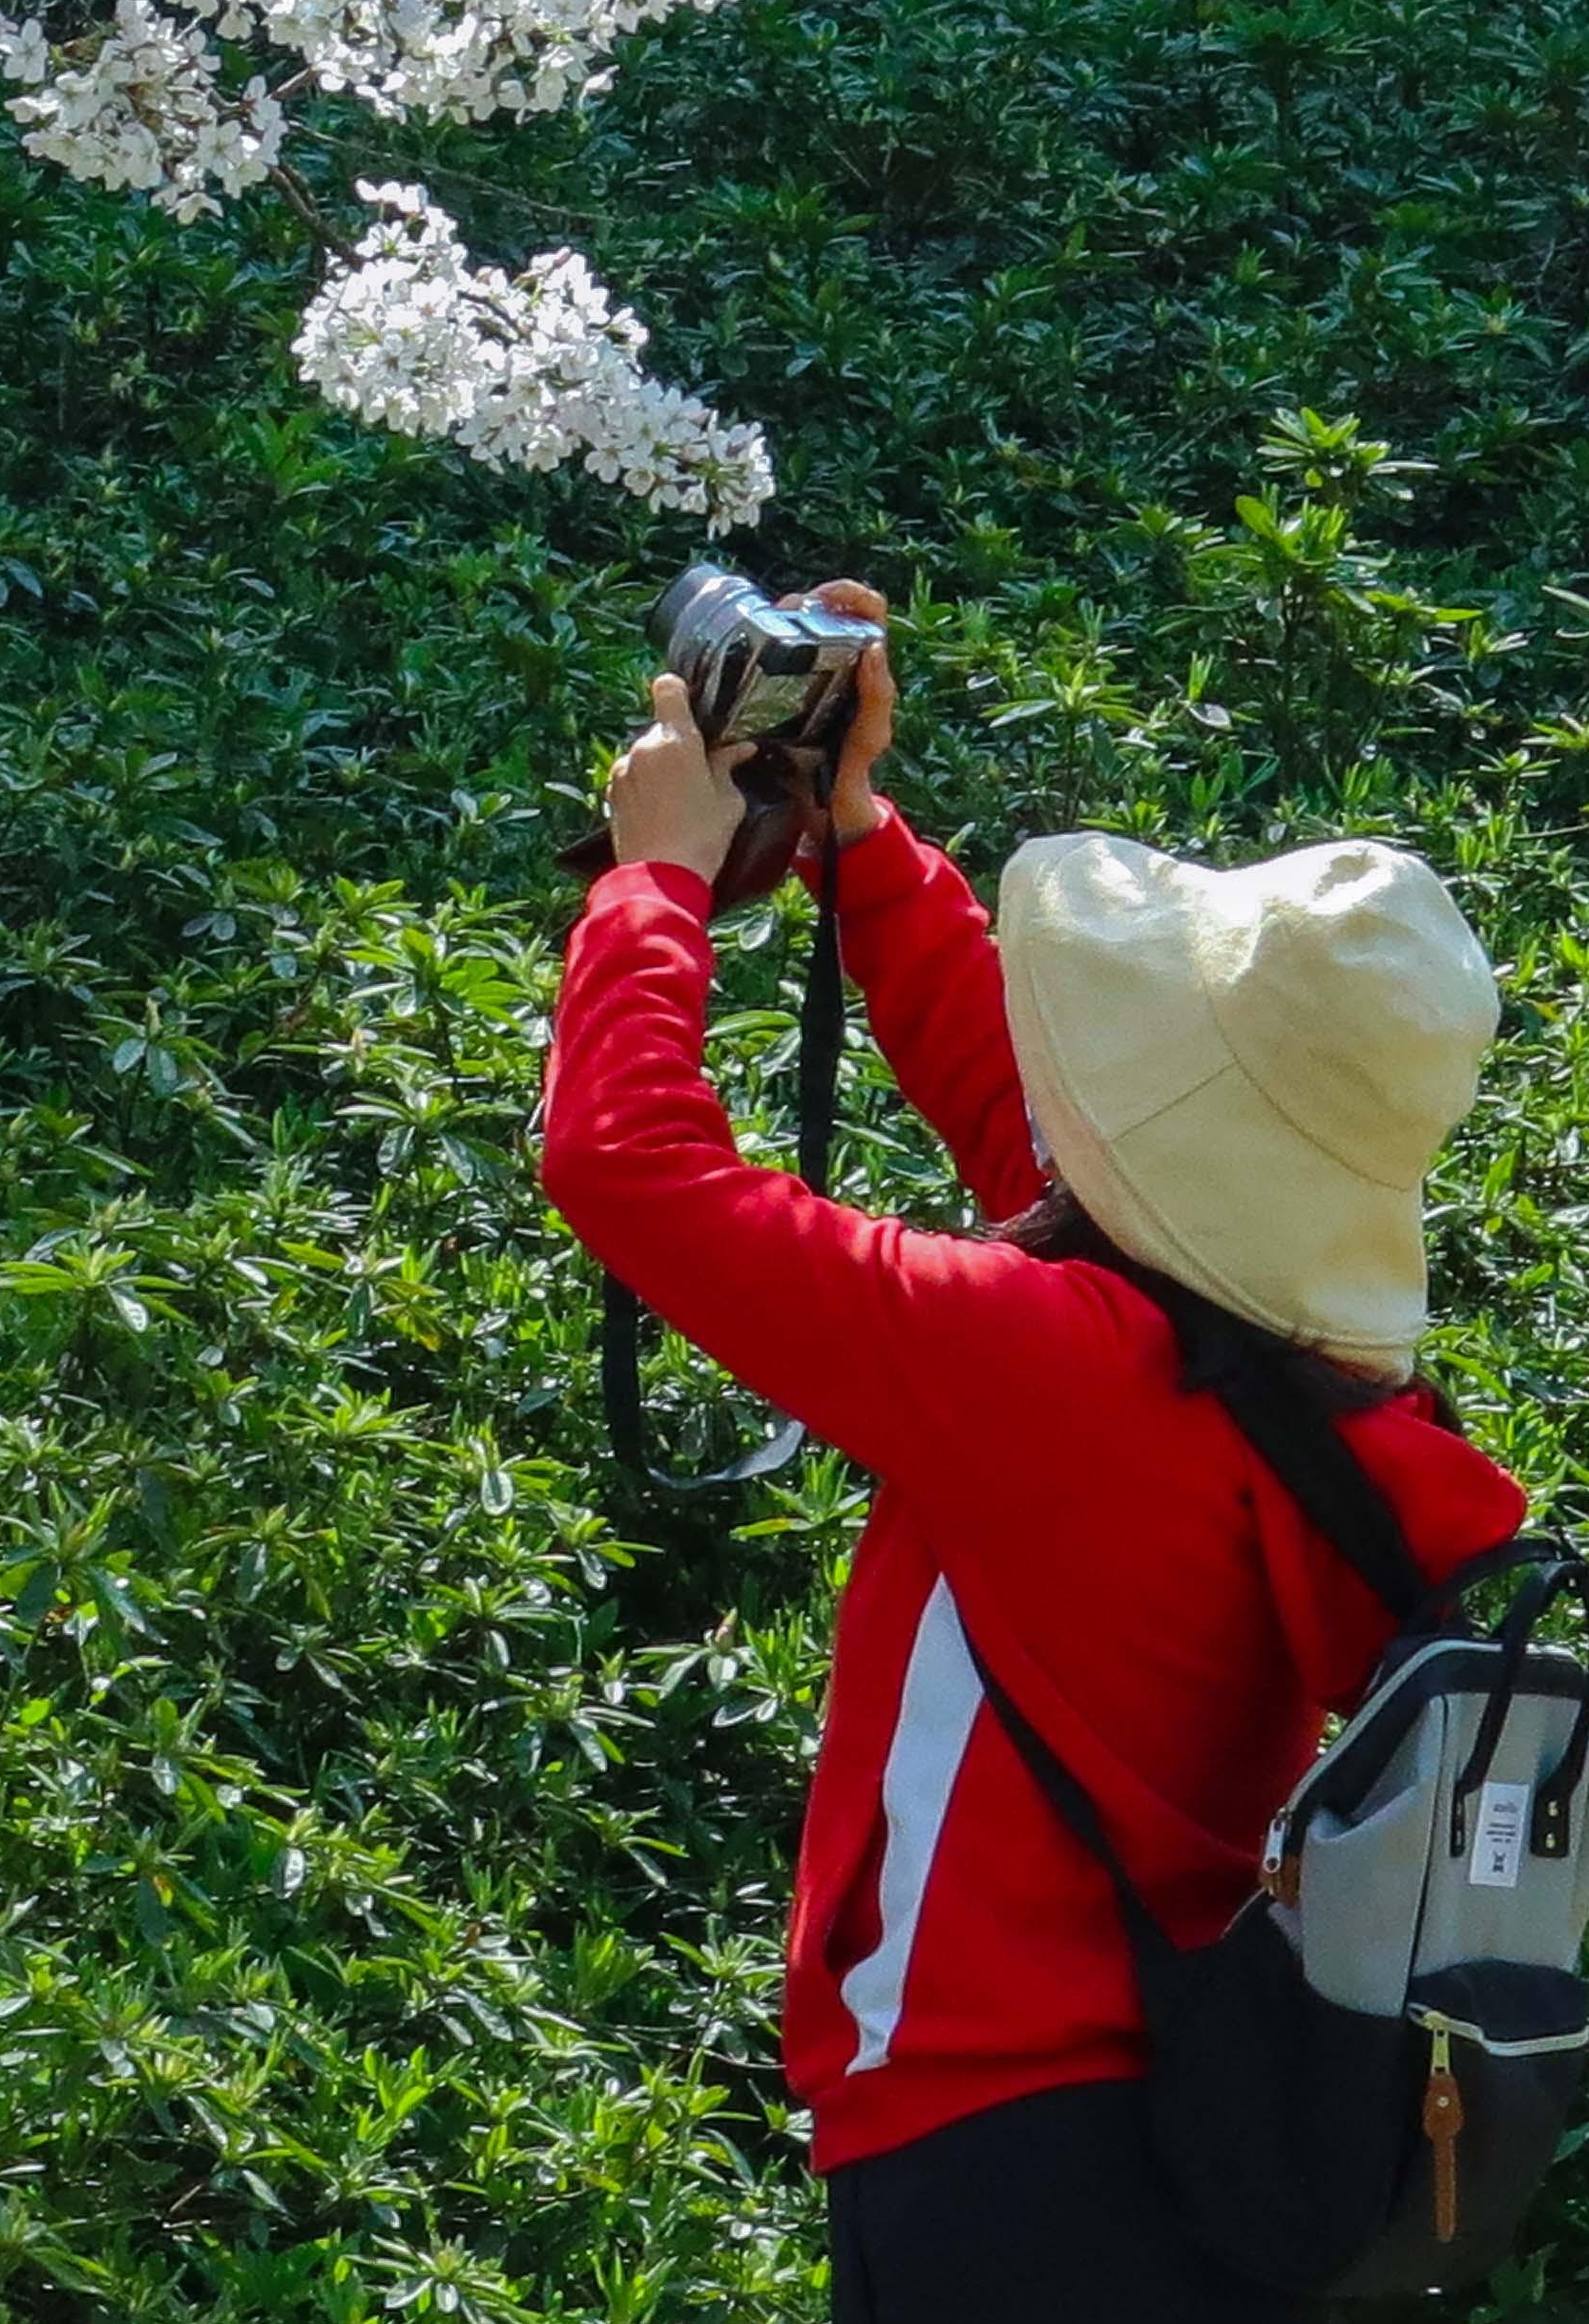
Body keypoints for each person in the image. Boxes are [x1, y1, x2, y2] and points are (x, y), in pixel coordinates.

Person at [541, 580, 1531, 2324]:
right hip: (1188, 2122)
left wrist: (658, 879)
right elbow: (1057, 1137)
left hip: (980, 2139)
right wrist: (851, 835)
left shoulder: (1058, 1369)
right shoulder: (1323, 1396)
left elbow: (635, 1170)